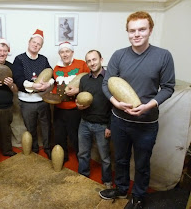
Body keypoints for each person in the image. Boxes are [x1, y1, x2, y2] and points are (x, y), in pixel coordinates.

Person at [99, 11, 175, 209]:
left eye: (142, 29)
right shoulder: (118, 55)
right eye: (132, 30)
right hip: (119, 121)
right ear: (127, 32)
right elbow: (107, 84)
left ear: (150, 30)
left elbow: (168, 87)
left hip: (146, 123)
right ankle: (122, 188)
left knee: (142, 164)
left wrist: (149, 105)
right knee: (121, 160)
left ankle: (139, 196)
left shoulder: (163, 56)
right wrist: (116, 103)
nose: (137, 34)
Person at [12, 29, 54, 159]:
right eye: (34, 42)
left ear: (41, 47)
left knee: (46, 126)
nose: (36, 45)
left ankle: (48, 148)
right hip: (26, 101)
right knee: (31, 127)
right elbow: (17, 79)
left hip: (42, 100)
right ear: (29, 42)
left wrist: (49, 84)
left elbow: (51, 74)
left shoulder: (44, 59)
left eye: (39, 44)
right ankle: (34, 149)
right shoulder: (19, 59)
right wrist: (33, 85)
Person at [76, 50, 112, 189]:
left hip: (102, 125)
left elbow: (114, 106)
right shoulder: (84, 79)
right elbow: (80, 100)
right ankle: (82, 175)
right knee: (83, 153)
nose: (92, 63)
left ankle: (107, 180)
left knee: (105, 157)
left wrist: (110, 126)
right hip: (84, 123)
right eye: (89, 61)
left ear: (101, 59)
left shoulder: (110, 79)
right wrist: (79, 106)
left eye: (94, 59)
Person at [52, 41, 90, 163]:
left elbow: (90, 82)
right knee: (59, 135)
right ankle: (62, 158)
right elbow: (55, 87)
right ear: (59, 54)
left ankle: (82, 161)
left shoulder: (82, 64)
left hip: (75, 109)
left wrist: (78, 90)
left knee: (76, 136)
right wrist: (52, 96)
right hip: (59, 108)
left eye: (67, 51)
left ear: (72, 52)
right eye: (62, 52)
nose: (65, 54)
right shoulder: (56, 68)